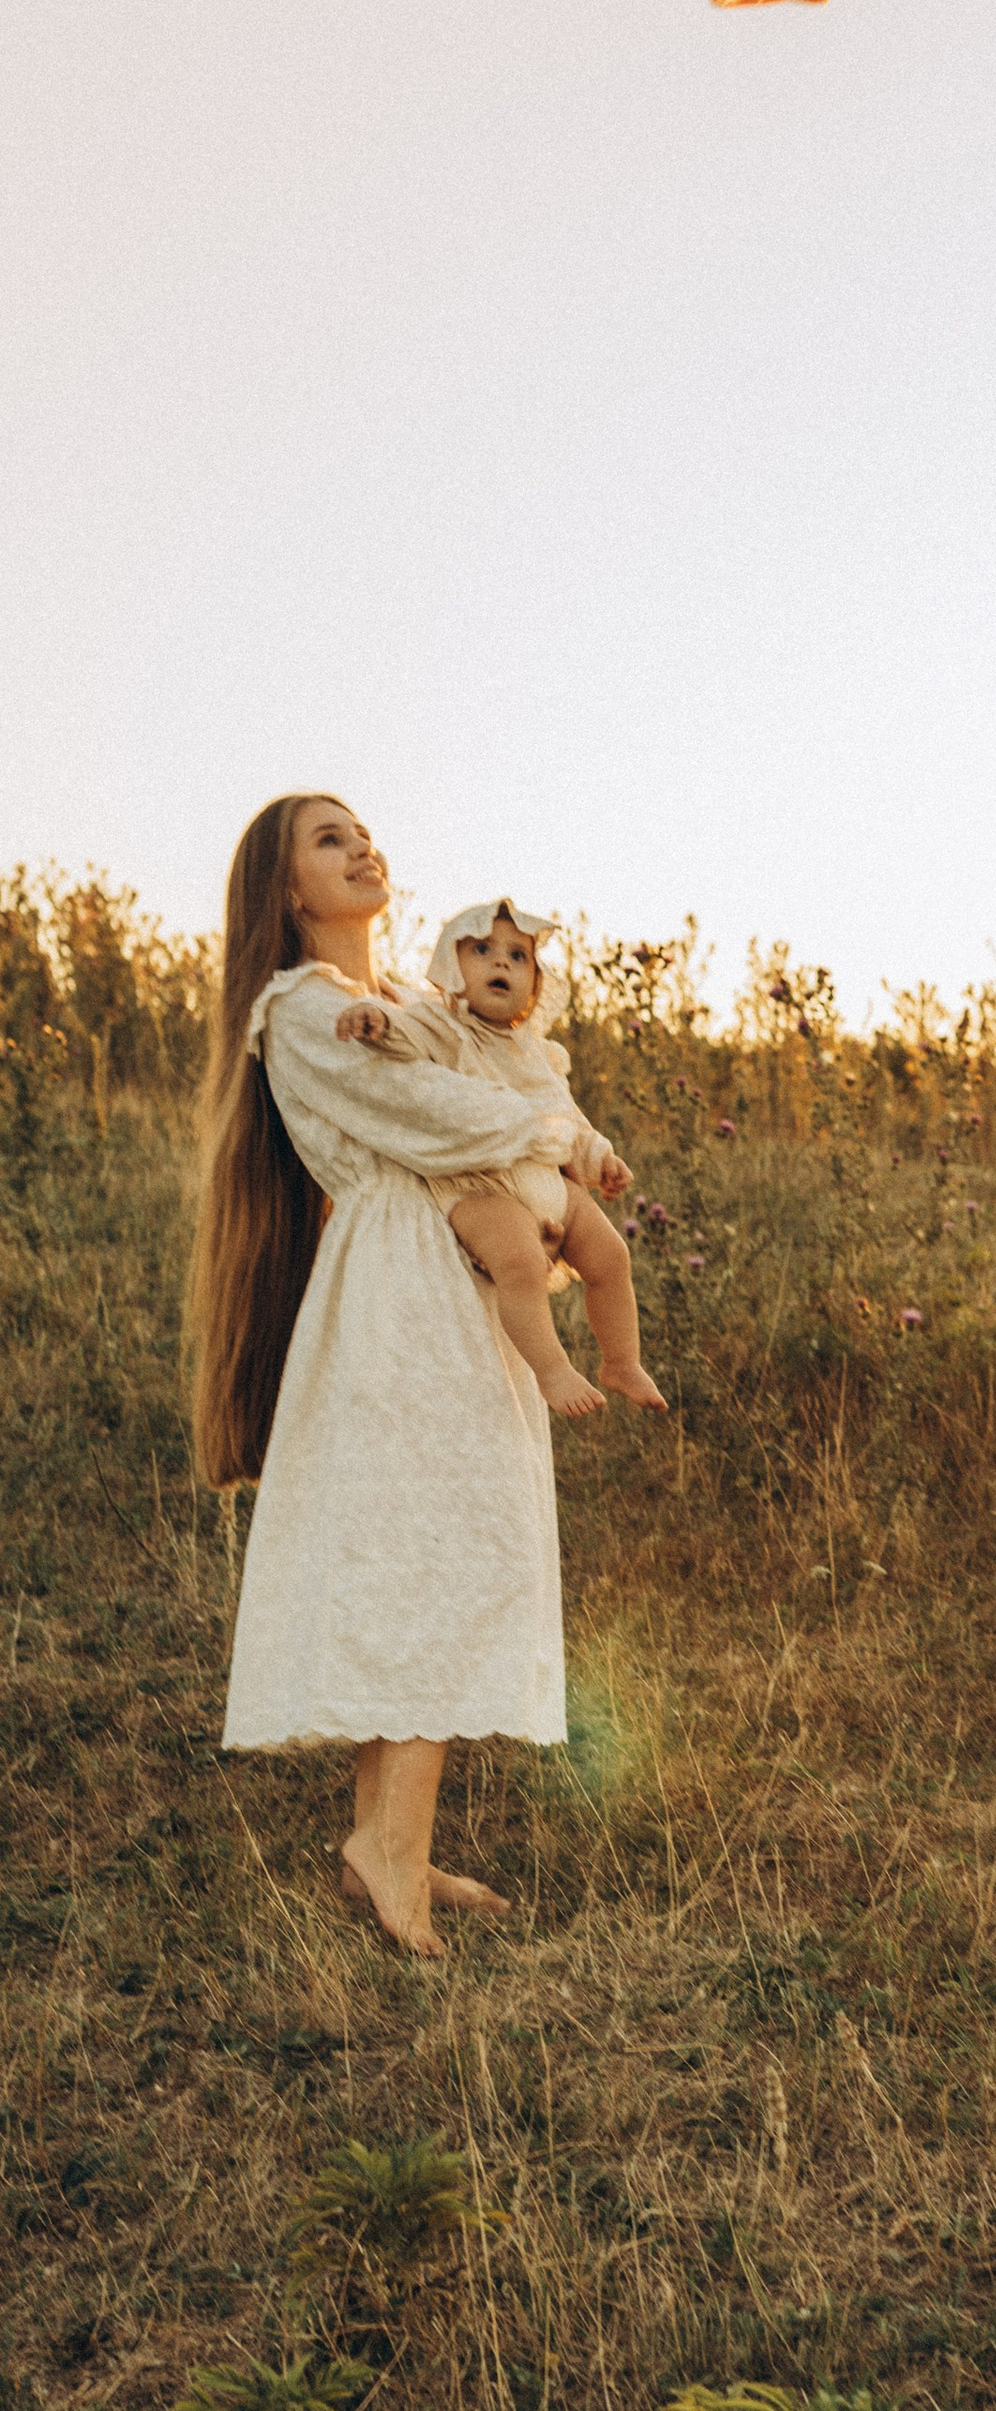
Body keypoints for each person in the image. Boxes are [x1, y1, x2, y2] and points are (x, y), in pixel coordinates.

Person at [189, 794, 586, 1953]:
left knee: (444, 1547)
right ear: (285, 890)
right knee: (434, 1557)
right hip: (401, 1292)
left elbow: (499, 1078)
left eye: (361, 830)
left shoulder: (415, 1000)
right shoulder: (302, 1009)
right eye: (329, 840)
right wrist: (556, 1135)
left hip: (454, 1281)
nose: (362, 846)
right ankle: (393, 1850)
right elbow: (438, 1117)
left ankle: (383, 1836)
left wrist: (533, 1126)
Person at [335, 895, 666, 1419]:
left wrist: (600, 1158)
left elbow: (565, 1117)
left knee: (611, 1255)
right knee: (521, 1263)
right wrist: (376, 1018)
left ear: (535, 983)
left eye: (517, 956)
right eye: (483, 950)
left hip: (550, 1184)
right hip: (480, 1187)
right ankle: (552, 1369)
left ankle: (621, 1361)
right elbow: (407, 1033)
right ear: (452, 967)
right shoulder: (445, 1025)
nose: (501, 964)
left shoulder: (538, 1052)